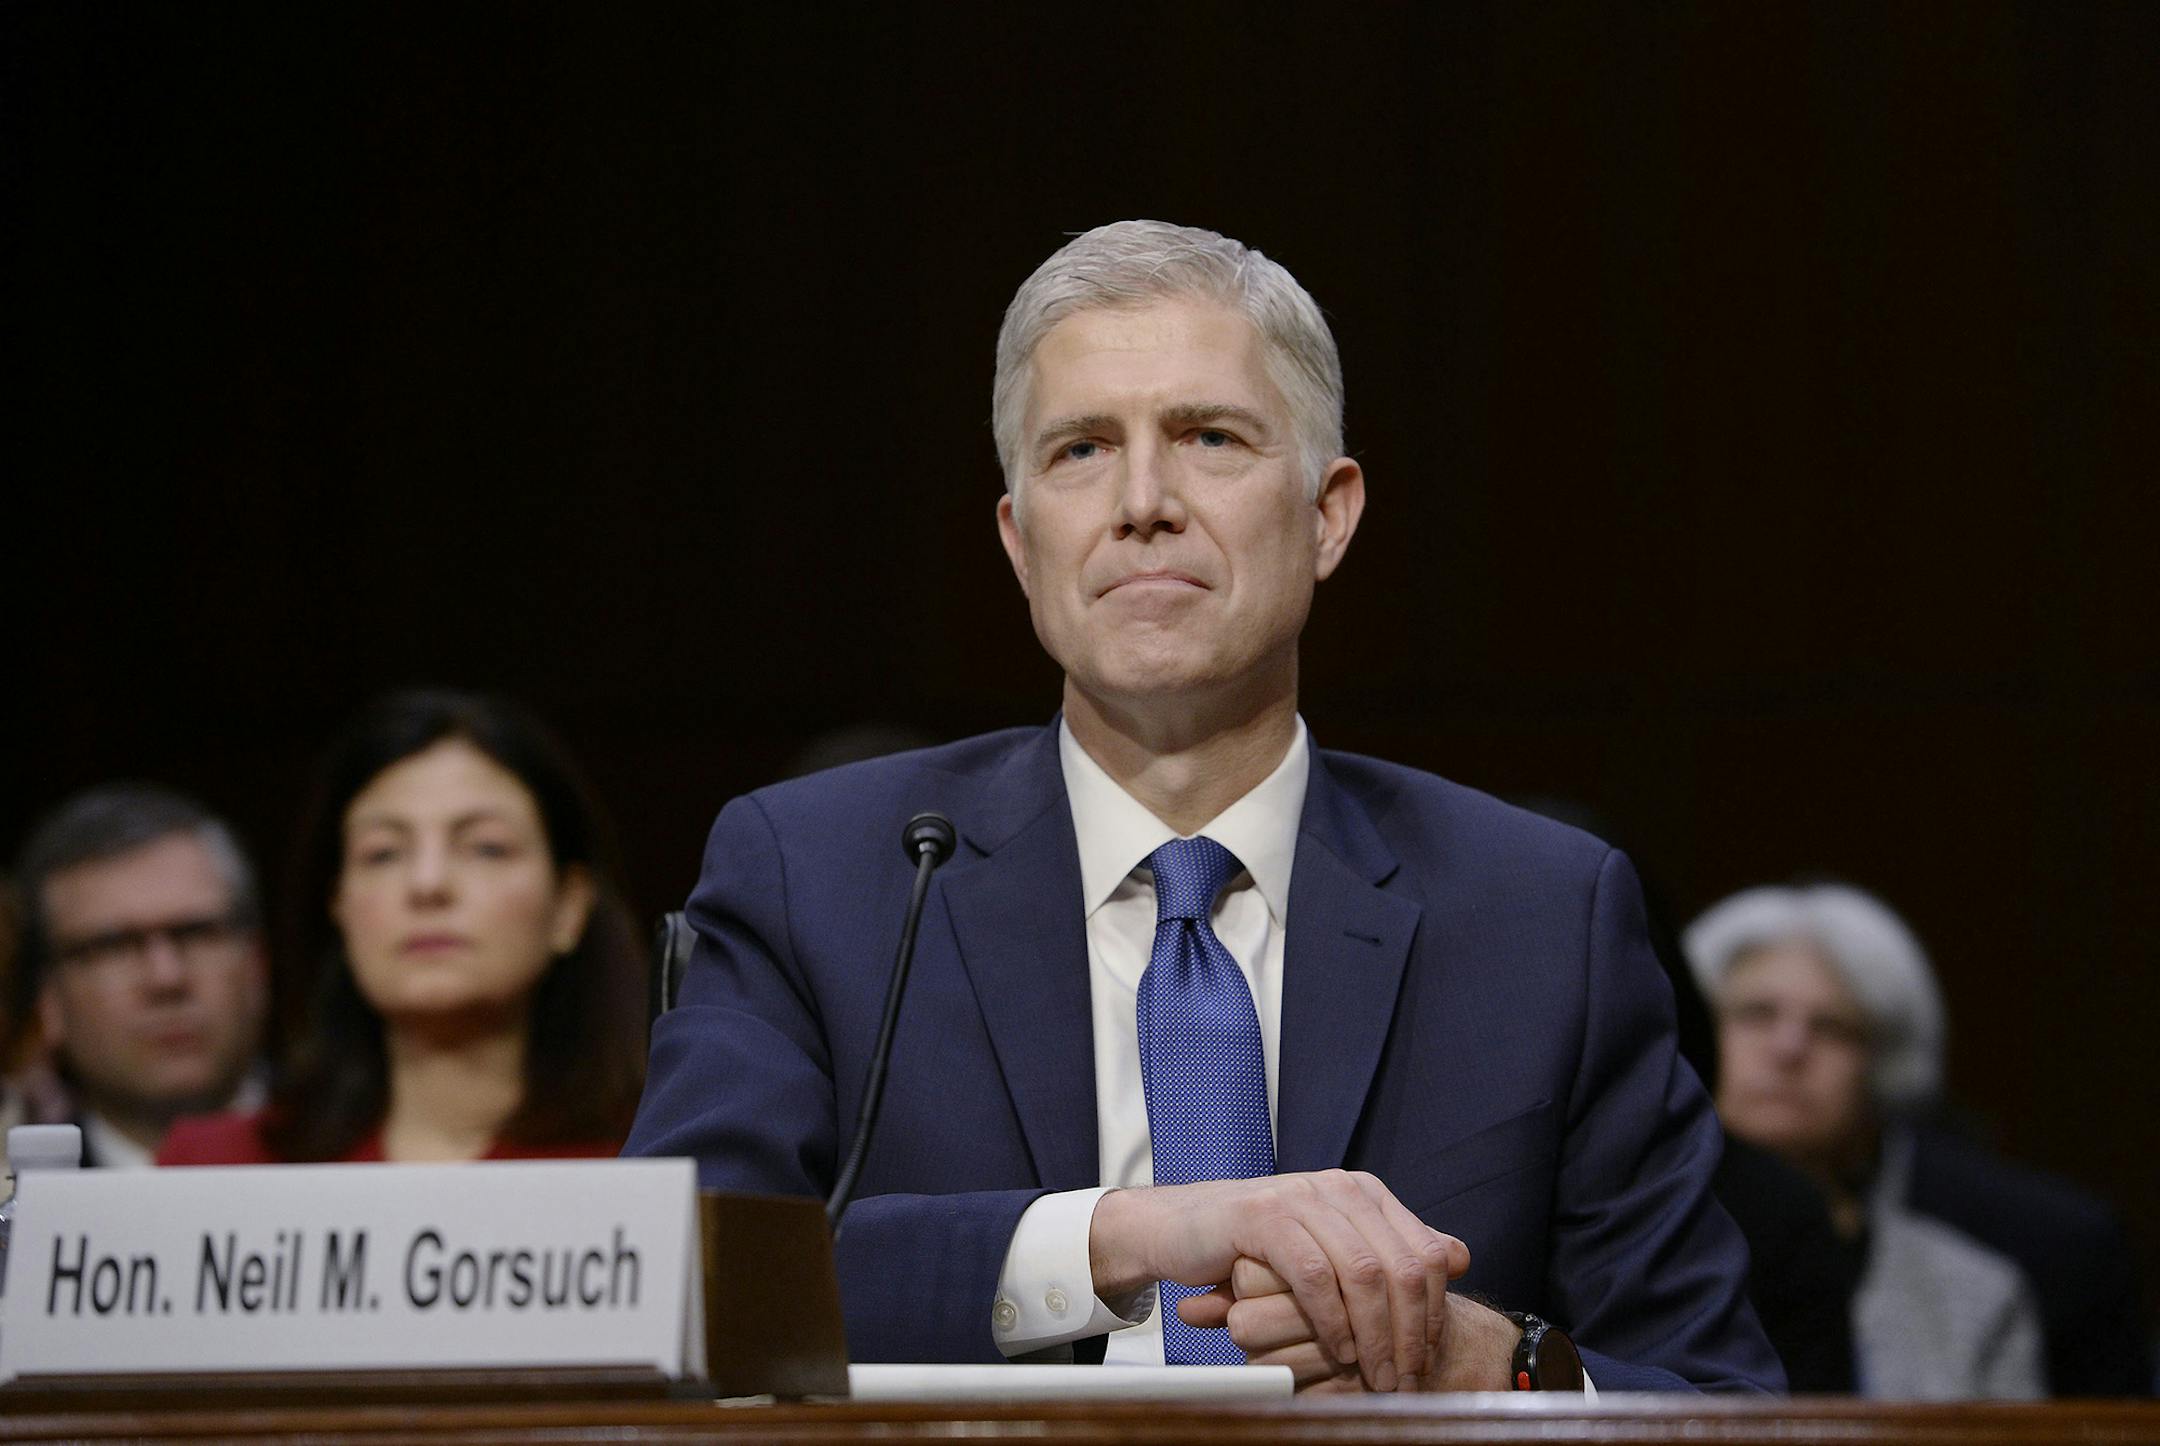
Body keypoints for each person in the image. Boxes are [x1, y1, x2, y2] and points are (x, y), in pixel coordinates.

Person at [628, 221, 1781, 1393]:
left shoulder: (1541, 914)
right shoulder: (817, 873)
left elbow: (1722, 1400)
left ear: (1328, 514)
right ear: (1022, 544)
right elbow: (686, 1291)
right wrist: (1123, 1237)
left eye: (1208, 437)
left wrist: (1503, 1369)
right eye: (1080, 450)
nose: (1142, 502)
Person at [160, 690, 645, 1164]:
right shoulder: (221, 1167)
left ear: (569, 906)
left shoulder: (652, 1161)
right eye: (383, 853)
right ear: (338, 905)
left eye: (486, 847)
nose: (427, 884)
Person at [1684, 883, 2060, 1399]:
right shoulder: (1625, 1255)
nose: (1789, 1047)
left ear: (1883, 1064)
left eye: (1831, 1027)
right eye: (1756, 1013)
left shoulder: (1976, 1295)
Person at [7, 785, 270, 1168]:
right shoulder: (21, 1204)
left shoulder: (364, 1154)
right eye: (114, 946)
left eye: (195, 933)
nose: (166, 978)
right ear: (48, 1001)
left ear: (256, 963)